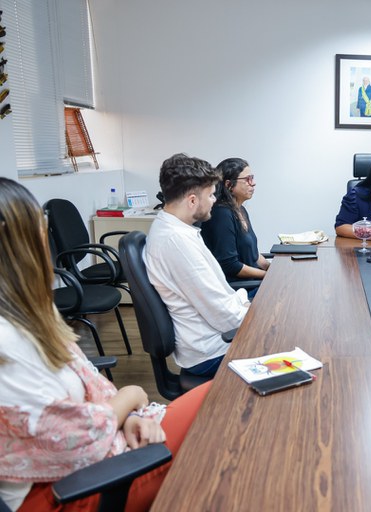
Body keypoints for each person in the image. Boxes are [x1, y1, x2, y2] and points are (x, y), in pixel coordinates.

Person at [0, 177, 212, 511]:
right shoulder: (7, 343)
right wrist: (131, 397)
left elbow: (91, 389)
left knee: (225, 394)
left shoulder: (28, 316)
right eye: (41, 230)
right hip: (73, 489)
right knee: (225, 405)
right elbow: (77, 440)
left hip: (110, 444)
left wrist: (127, 417)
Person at [145, 153, 250, 378]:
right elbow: (224, 315)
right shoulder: (176, 242)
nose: (215, 200)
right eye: (211, 195)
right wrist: (260, 315)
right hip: (213, 351)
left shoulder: (177, 230)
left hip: (215, 337)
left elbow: (220, 300)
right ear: (192, 201)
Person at [200, 158, 269, 299]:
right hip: (239, 290)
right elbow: (230, 265)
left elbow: (254, 254)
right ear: (229, 185)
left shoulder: (240, 209)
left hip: (253, 282)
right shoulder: (221, 214)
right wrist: (267, 276)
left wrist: (271, 268)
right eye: (248, 179)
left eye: (252, 178)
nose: (253, 183)